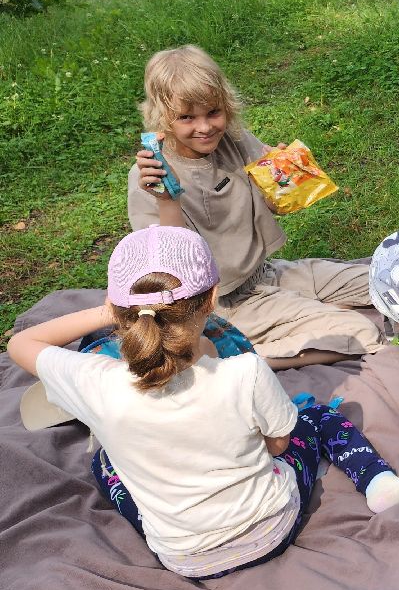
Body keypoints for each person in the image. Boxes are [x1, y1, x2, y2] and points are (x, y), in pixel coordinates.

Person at [8, 226, 399, 579]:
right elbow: (278, 445)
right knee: (315, 415)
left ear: (118, 310)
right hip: (272, 527)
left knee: (105, 462)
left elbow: (22, 343)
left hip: (183, 557)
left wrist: (109, 312)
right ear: (213, 298)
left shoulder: (92, 382)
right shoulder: (245, 372)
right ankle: (378, 483)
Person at [130, 44, 378, 370]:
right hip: (221, 304)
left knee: (381, 279)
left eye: (213, 112)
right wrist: (167, 200)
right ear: (163, 117)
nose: (204, 127)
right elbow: (173, 270)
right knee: (360, 332)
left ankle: (303, 318)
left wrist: (283, 176)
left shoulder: (234, 140)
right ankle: (230, 357)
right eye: (187, 117)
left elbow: (275, 205)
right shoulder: (151, 176)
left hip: (265, 274)